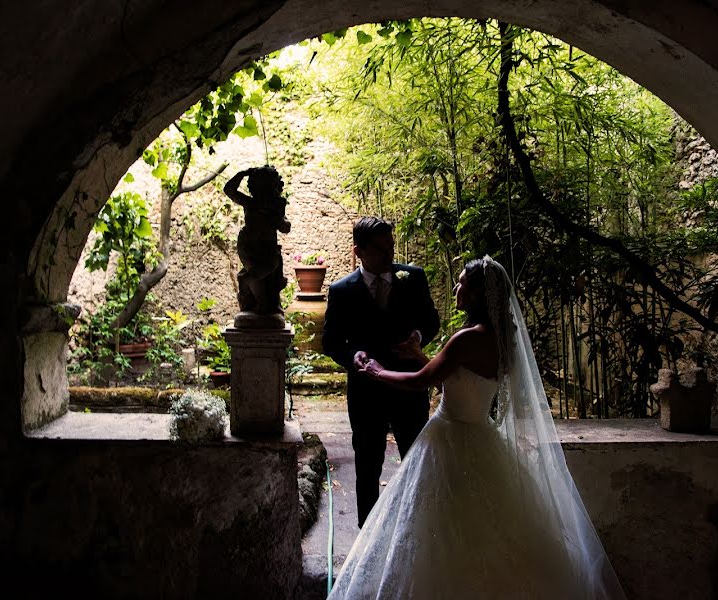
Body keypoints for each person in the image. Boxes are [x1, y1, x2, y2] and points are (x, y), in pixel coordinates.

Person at [326, 256, 627, 600]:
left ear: (479, 294)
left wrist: (376, 371)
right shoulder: (500, 340)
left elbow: (422, 382)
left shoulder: (466, 339)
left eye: (462, 283)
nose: (456, 288)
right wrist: (419, 353)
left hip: (448, 438)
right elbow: (459, 382)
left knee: (440, 529)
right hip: (481, 436)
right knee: (486, 532)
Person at [322, 216, 440, 528]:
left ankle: (421, 528)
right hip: (366, 394)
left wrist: (417, 338)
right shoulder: (341, 291)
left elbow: (431, 321)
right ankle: (367, 534)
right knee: (367, 463)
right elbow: (331, 342)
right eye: (379, 249)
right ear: (358, 251)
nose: (388, 255)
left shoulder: (413, 278)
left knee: (416, 459)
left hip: (410, 389)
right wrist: (354, 355)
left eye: (390, 247)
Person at [223, 166, 291, 320]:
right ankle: (253, 304)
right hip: (250, 248)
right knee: (255, 277)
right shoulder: (250, 203)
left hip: (269, 250)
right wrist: (242, 173)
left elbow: (285, 227)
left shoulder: (276, 204)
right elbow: (229, 190)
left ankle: (262, 304)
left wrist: (276, 217)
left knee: (265, 276)